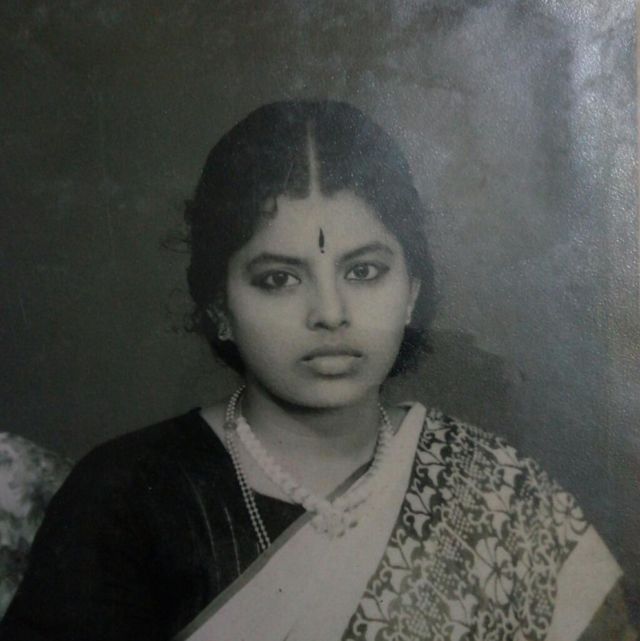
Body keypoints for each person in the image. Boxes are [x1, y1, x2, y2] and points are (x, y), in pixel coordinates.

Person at [0, 100, 633, 641]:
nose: (330, 313)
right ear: (219, 309)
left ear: (411, 292)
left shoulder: (497, 495)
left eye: (364, 271)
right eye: (279, 279)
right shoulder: (124, 498)